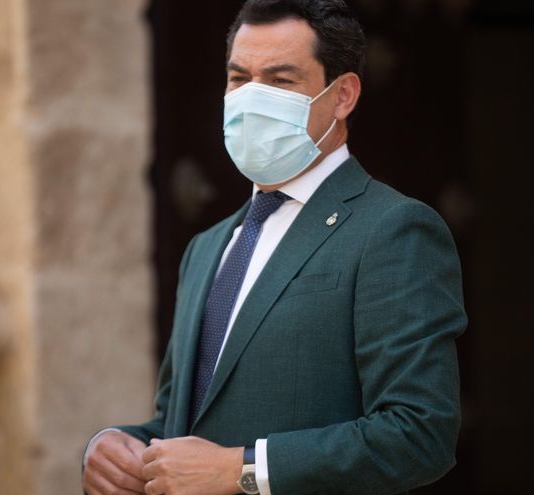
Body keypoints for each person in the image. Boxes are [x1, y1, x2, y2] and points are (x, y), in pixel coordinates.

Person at [82, 1, 466, 494]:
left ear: (343, 95)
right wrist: (116, 447)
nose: (253, 97)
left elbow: (420, 434)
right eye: (240, 78)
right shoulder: (207, 247)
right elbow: (185, 427)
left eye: (281, 81)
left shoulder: (392, 229)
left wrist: (243, 469)